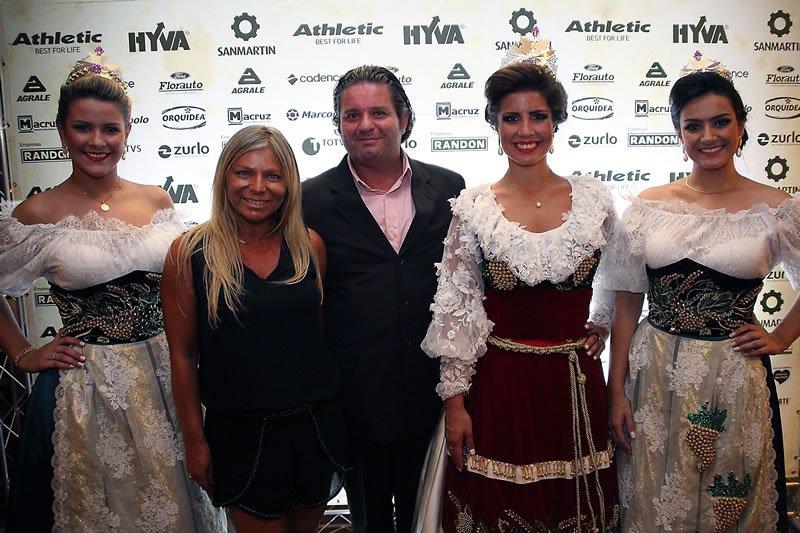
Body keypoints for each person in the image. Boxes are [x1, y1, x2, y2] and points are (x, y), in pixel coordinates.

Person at [0, 50, 223, 531]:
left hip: (169, 377)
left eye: (110, 129)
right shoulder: (36, 213)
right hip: (89, 389)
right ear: (61, 131)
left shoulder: (156, 199)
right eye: (83, 128)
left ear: (127, 132)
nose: (97, 141)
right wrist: (23, 353)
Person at [419, 57, 619, 532]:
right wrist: (455, 405)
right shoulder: (474, 207)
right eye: (512, 117)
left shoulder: (595, 200)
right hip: (500, 386)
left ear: (556, 122)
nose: (525, 130)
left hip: (575, 385)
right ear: (495, 124)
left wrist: (603, 321)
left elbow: (623, 275)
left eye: (538, 116)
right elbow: (458, 308)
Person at [606, 58, 800, 532]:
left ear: (741, 126)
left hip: (733, 374)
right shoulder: (648, 207)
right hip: (652, 374)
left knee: (728, 498)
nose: (708, 136)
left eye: (720, 122)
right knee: (653, 496)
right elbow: (626, 302)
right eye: (693, 126)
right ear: (679, 133)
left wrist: (781, 337)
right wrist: (615, 390)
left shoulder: (775, 208)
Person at [162, 125, 350, 533]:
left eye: (273, 175)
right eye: (244, 172)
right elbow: (183, 356)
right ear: (224, 176)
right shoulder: (189, 253)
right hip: (239, 435)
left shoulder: (309, 246)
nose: (258, 187)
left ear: (289, 184)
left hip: (315, 428)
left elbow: (316, 337)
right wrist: (195, 441)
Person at [302, 65, 465, 533]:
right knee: (369, 522)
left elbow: (466, 285)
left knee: (432, 519)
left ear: (404, 119)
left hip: (433, 396)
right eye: (351, 115)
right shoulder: (310, 199)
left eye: (378, 112)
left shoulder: (450, 187)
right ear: (338, 124)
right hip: (355, 402)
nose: (365, 125)